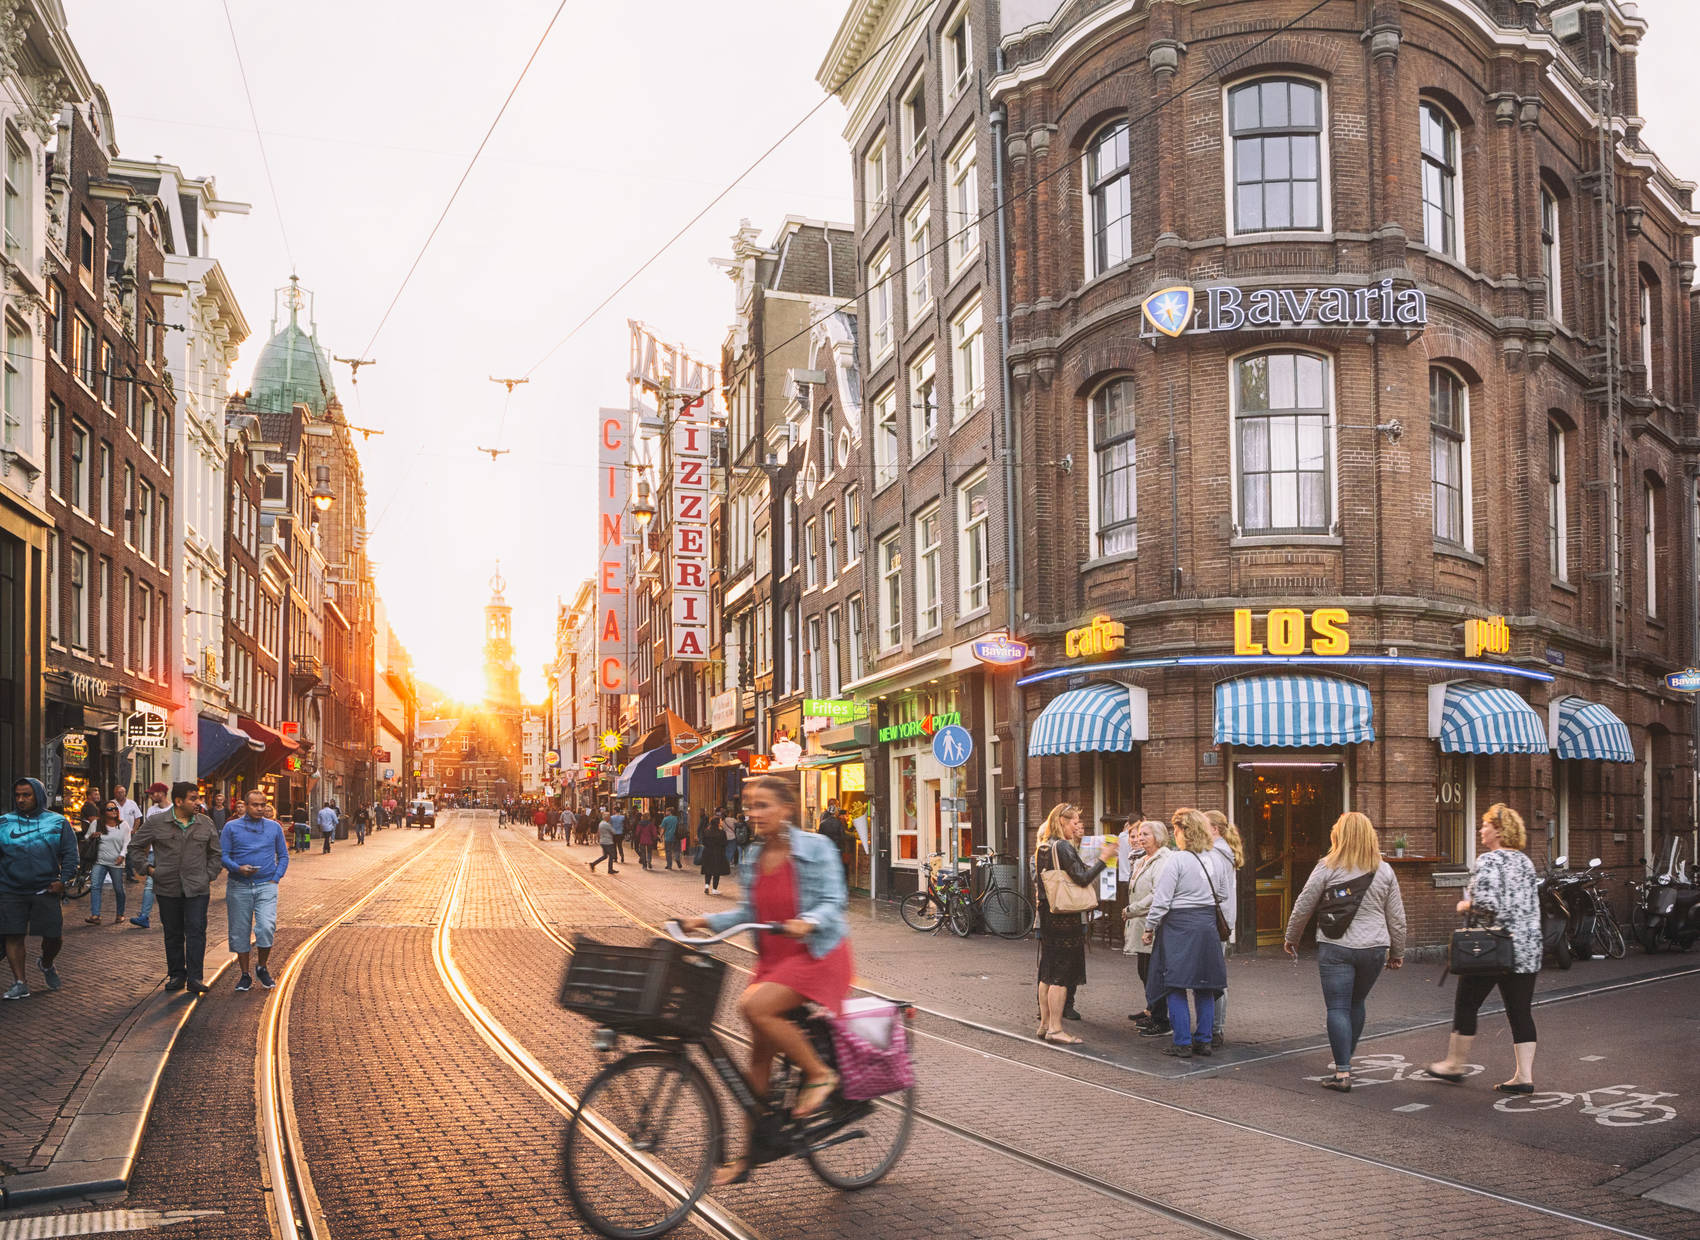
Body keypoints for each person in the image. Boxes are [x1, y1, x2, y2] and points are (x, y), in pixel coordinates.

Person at [678, 775, 852, 1186]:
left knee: (753, 1006)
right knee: (756, 1062)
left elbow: (834, 902)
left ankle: (821, 1074)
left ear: (786, 809)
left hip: (816, 955)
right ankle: (748, 1156)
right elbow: (746, 912)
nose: (753, 814)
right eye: (750, 806)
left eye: (762, 806)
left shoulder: (817, 847)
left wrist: (806, 922)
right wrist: (704, 919)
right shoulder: (755, 857)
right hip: (774, 961)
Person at [1284, 812, 1407, 1092]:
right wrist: (1398, 950)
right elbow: (1397, 917)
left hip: (1336, 946)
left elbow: (1305, 903)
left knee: (1337, 1007)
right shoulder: (1384, 870)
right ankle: (1345, 1060)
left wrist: (1292, 936)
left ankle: (1342, 1072)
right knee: (1357, 1002)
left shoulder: (1327, 866)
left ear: (1338, 835)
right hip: (1374, 948)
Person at [1428, 803, 1543, 1095]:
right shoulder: (1526, 862)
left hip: (1493, 948)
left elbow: (1488, 905)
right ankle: (1524, 1076)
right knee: (1519, 1011)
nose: (1481, 830)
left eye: (1485, 825)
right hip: (1527, 947)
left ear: (1499, 830)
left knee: (1467, 1003)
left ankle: (1454, 1065)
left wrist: (1464, 904)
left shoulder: (1489, 861)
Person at [1143, 809, 1228, 1058]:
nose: (1174, 835)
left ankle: (1182, 1042)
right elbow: (1222, 893)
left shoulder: (1177, 860)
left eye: (1176, 830)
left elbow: (1162, 900)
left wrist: (1149, 927)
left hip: (1179, 926)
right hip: (1206, 924)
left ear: (1183, 832)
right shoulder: (1215, 858)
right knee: (1205, 985)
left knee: (1174, 984)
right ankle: (1204, 1040)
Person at [126, 782, 221, 995]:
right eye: (193, 798)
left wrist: (208, 875)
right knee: (173, 932)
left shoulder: (205, 823)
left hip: (197, 888)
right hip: (167, 887)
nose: (198, 802)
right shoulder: (157, 822)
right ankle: (177, 974)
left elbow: (215, 853)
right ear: (179, 801)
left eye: (198, 798)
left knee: (196, 931)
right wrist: (148, 870)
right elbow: (135, 846)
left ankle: (195, 977)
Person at [1033, 802, 1113, 1044]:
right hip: (1065, 918)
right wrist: (1104, 859)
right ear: (1061, 822)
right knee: (1061, 974)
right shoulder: (1063, 846)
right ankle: (1056, 1029)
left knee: (1047, 971)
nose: (1076, 825)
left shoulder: (1043, 847)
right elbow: (1081, 878)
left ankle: (1045, 1023)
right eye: (1073, 821)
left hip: (1048, 912)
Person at [1, 777, 78, 999]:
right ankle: (20, 982)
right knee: (13, 936)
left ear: (39, 795)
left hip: (46, 889)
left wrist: (63, 880)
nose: (21, 799)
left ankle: (46, 963)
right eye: (17, 795)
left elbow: (71, 854)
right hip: (10, 890)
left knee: (53, 937)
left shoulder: (57, 822)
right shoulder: (4, 822)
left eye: (27, 795)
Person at [222, 787, 290, 992]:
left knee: (266, 926)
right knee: (239, 932)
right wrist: (237, 868)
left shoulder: (274, 827)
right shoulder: (231, 827)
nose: (260, 808)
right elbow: (223, 855)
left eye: (263, 805)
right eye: (255, 805)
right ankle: (244, 974)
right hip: (238, 886)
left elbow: (284, 855)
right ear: (245, 806)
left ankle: (262, 966)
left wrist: (275, 878)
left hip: (266, 885)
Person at [1122, 820, 1173, 1032]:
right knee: (1144, 970)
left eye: (1146, 834)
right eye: (1139, 834)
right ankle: (1152, 1010)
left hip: (1151, 923)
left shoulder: (1164, 860)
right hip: (1139, 923)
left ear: (1159, 837)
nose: (1141, 838)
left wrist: (1132, 908)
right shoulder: (1142, 860)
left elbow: (1157, 894)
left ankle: (1161, 1019)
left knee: (1153, 972)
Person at [1203, 810, 1244, 1048]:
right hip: (1222, 921)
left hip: (1214, 922)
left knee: (1214, 976)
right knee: (1214, 974)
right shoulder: (1224, 853)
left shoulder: (1215, 855)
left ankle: (1215, 1028)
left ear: (1214, 830)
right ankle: (1214, 1026)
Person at [83, 800, 132, 925]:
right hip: (100, 861)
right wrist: (92, 836)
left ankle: (120, 914)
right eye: (110, 809)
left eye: (115, 808)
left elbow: (127, 842)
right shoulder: (96, 823)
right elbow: (86, 837)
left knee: (119, 889)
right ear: (104, 812)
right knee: (95, 886)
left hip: (116, 862)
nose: (114, 811)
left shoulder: (123, 825)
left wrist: (122, 855)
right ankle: (95, 915)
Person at [115, 784, 143, 880]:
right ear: (115, 793)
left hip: (130, 833)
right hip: (116, 833)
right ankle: (115, 874)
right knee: (116, 852)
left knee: (130, 854)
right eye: (119, 792)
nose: (121, 794)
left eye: (122, 792)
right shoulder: (112, 804)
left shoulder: (132, 804)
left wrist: (134, 830)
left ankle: (130, 875)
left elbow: (138, 818)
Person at [699, 813, 732, 894]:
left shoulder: (706, 831)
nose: (721, 822)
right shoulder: (722, 833)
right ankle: (714, 889)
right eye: (720, 821)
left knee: (708, 870)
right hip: (718, 853)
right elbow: (725, 843)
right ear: (717, 823)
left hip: (707, 852)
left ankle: (706, 886)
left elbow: (703, 842)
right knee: (716, 871)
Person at [816, 800, 848, 875]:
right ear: (835, 813)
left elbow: (820, 837)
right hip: (836, 848)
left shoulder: (822, 823)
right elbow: (842, 837)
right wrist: (843, 849)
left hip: (826, 848)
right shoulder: (838, 823)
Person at [659, 805, 681, 870]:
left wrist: (660, 836)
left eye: (666, 811)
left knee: (668, 851)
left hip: (668, 837)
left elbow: (663, 829)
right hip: (676, 837)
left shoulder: (665, 819)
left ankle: (669, 865)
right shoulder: (677, 818)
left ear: (670, 811)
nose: (665, 812)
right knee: (676, 849)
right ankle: (677, 858)